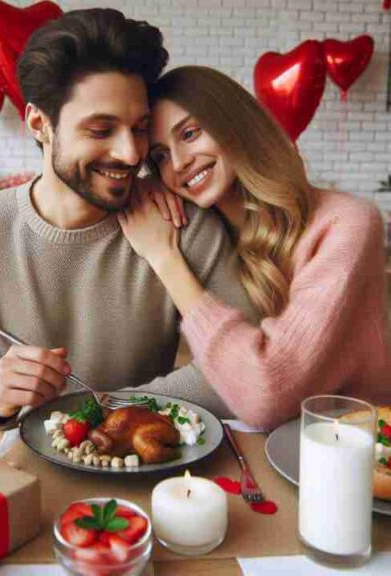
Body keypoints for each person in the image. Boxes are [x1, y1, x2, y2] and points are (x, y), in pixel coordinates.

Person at [0, 8, 258, 428]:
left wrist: (106, 410)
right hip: (15, 470)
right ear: (39, 123)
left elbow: (237, 373)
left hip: (146, 465)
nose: (131, 154)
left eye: (139, 128)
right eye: (101, 131)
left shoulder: (179, 223)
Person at [118, 65, 390, 429]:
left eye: (190, 133)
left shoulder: (348, 225)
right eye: (161, 156)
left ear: (235, 123)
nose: (180, 163)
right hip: (264, 446)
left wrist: (165, 259)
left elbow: (267, 391)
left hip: (358, 447)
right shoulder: (206, 232)